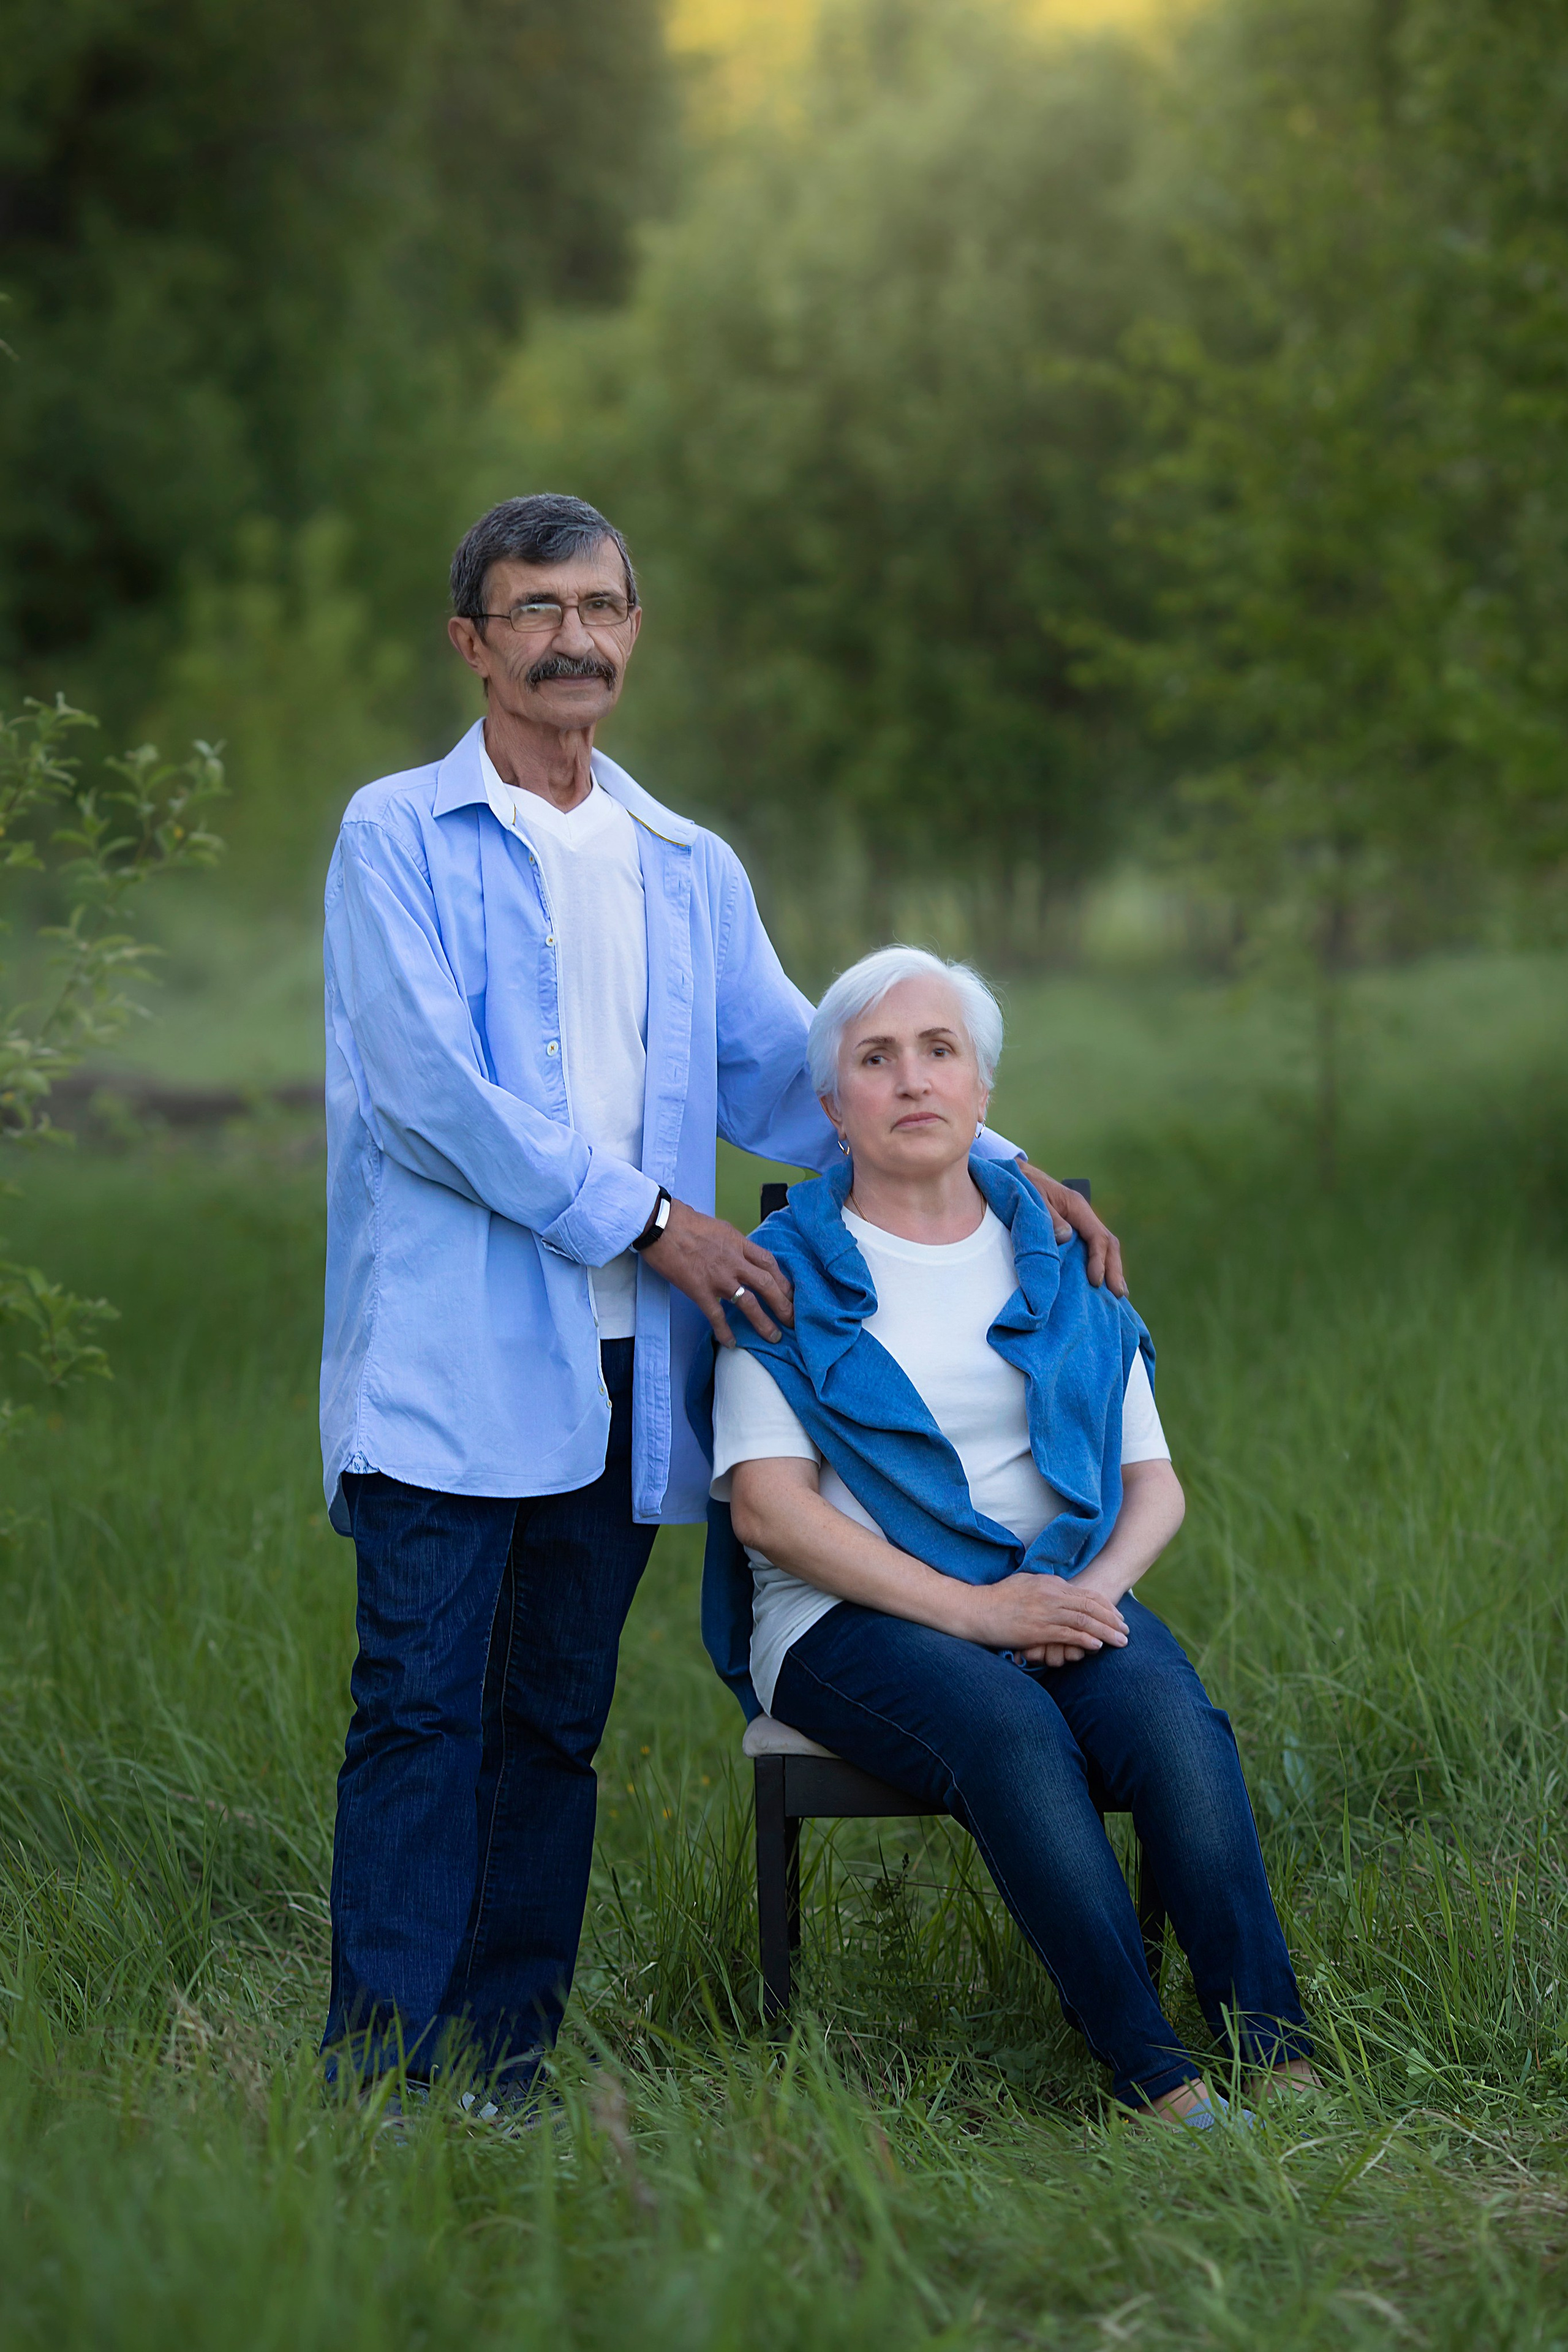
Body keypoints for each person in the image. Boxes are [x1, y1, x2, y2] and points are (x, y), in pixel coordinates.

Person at [318, 494, 1123, 2101]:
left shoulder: (684, 864)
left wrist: (1008, 1159)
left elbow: (786, 1071)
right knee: (421, 1710)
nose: (577, 639)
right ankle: (382, 2085)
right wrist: (659, 1221)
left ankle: (503, 2067)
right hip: (454, 1360)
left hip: (628, 1378)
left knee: (552, 1720)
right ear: (473, 643)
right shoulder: (396, 835)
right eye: (538, 610)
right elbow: (432, 1094)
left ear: (633, 630)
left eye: (602, 606)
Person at [706, 944, 1316, 2124]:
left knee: (1172, 1724)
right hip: (848, 1615)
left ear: (984, 1090)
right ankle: (1155, 2078)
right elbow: (771, 1512)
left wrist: (1089, 1598)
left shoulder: (1062, 1254)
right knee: (1010, 1728)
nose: (913, 1080)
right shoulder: (784, 1272)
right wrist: (983, 1616)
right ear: (832, 1107)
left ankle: (1274, 2050)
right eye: (876, 1060)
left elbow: (1156, 1487)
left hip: (1060, 1588)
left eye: (940, 1051)